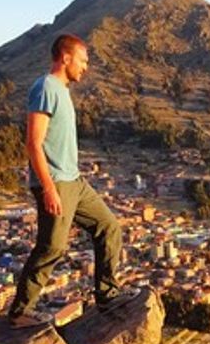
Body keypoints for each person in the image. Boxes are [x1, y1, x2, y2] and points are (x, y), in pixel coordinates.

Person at [7, 33, 134, 327]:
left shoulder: (62, 90)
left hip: (74, 181)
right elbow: (33, 143)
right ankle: (20, 312)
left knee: (109, 227)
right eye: (83, 60)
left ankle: (107, 295)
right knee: (52, 246)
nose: (86, 67)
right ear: (66, 58)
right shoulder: (46, 87)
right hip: (56, 183)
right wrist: (49, 187)